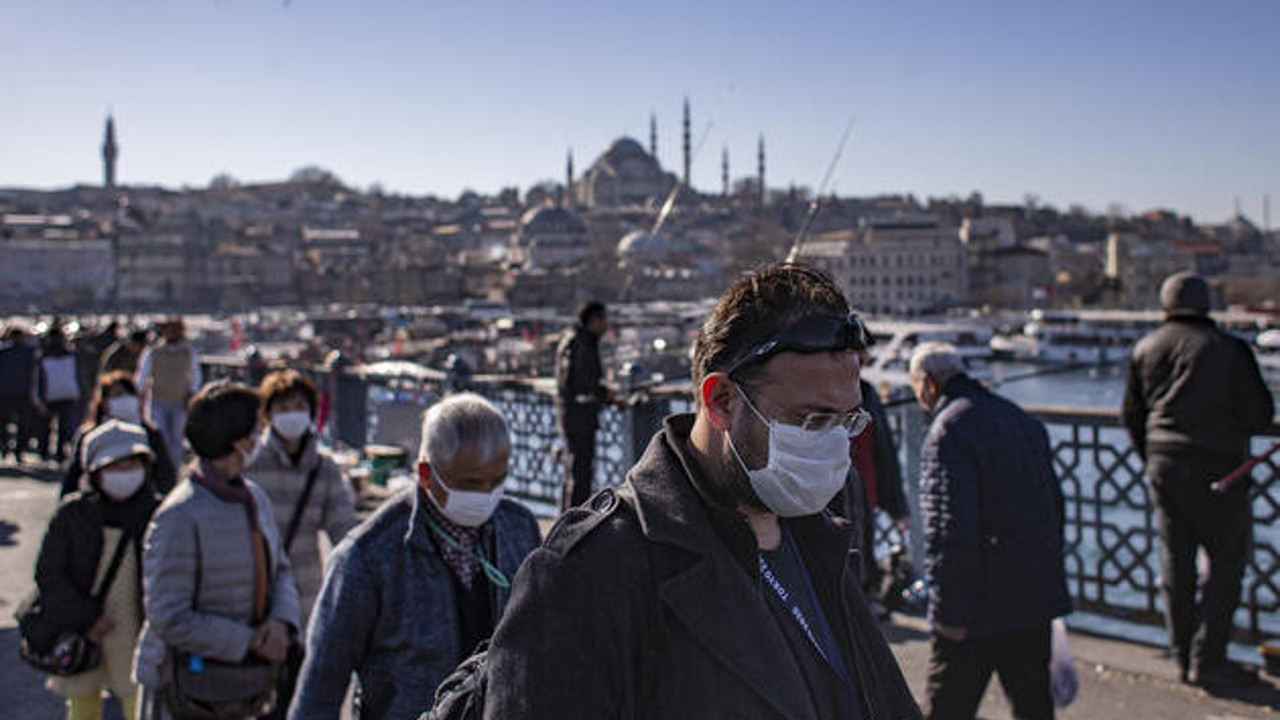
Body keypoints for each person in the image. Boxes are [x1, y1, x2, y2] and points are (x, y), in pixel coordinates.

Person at [483, 264, 921, 720]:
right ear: (721, 402)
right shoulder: (591, 575)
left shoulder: (821, 541)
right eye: (811, 420)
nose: (833, 443)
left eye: (847, 421)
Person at [289, 393, 540, 720]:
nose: (486, 495)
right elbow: (321, 686)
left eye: (497, 481)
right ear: (426, 474)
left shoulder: (519, 529)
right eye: (471, 483)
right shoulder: (368, 557)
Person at [1122, 271, 1275, 687]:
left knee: (1176, 563)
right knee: (1226, 563)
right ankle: (1209, 658)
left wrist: (1152, 457)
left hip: (1164, 466)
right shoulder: (1229, 349)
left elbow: (1132, 415)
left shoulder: (1146, 348)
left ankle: (1181, 654)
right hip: (1220, 468)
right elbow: (1258, 414)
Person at [909, 342, 1070, 720]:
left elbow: (949, 528)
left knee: (948, 707)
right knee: (1034, 706)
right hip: (1034, 596)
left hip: (977, 606)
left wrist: (947, 611)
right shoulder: (1020, 418)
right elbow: (1055, 508)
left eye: (915, 387)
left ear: (929, 383)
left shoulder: (948, 430)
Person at [134, 380, 300, 720]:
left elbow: (280, 569)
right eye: (256, 429)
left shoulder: (254, 498)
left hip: (246, 683)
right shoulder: (179, 515)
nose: (261, 436)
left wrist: (281, 622)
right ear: (239, 441)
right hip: (188, 688)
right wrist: (249, 640)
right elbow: (169, 616)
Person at [247, 370, 358, 718]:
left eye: (299, 406)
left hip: (305, 605)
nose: (292, 414)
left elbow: (346, 534)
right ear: (268, 414)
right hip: (254, 605)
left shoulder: (323, 469)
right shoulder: (250, 464)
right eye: (283, 408)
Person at [35, 420, 162, 720]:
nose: (125, 473)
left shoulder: (158, 514)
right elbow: (49, 575)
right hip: (83, 630)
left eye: (133, 464)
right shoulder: (73, 514)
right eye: (115, 466)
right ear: (94, 471)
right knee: (83, 707)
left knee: (139, 705)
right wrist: (85, 618)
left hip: (137, 632)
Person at [829, 340, 910, 608]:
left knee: (861, 562)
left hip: (864, 494)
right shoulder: (825, 393)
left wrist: (897, 506)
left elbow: (883, 450)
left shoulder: (867, 393)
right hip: (834, 496)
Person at [61, 371, 177, 498]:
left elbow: (165, 475)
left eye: (130, 395)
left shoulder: (150, 433)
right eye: (118, 395)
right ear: (104, 402)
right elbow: (72, 478)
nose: (125, 399)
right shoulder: (88, 435)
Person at [554, 300, 612, 511]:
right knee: (581, 472)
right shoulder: (583, 344)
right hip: (581, 418)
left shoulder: (571, 340)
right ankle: (576, 519)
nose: (606, 325)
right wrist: (604, 394)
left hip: (570, 415)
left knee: (572, 470)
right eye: (604, 319)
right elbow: (582, 383)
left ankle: (567, 516)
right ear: (594, 320)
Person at [136, 317, 202, 466]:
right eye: (170, 329)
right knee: (161, 437)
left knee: (177, 439)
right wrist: (140, 396)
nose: (174, 333)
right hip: (157, 401)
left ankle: (174, 468)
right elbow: (142, 376)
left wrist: (191, 393)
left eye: (177, 330)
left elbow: (196, 375)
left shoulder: (188, 352)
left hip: (180, 401)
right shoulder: (153, 352)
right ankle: (163, 468)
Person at [34, 325, 84, 463]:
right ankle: (60, 453)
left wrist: (38, 398)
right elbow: (77, 375)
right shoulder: (70, 354)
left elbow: (37, 379)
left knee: (45, 425)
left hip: (47, 395)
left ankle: (43, 451)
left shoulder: (42, 355)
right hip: (67, 394)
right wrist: (77, 392)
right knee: (63, 426)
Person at [0, 325, 39, 461]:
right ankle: (18, 450)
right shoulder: (29, 352)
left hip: (5, 392)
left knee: (4, 422)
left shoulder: (3, 351)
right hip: (23, 392)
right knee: (23, 424)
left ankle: (5, 447)